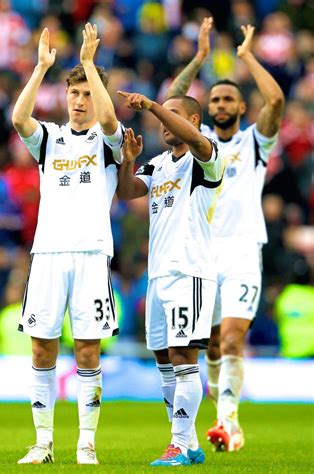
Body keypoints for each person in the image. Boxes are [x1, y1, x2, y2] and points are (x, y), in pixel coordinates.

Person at [165, 21, 284, 451]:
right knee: (213, 343)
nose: (220, 104)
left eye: (228, 99)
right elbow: (171, 103)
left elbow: (275, 100)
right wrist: (199, 58)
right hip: (203, 253)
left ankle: (228, 421)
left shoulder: (254, 143)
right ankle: (224, 415)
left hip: (243, 250)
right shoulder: (199, 144)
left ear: (240, 106)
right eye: (214, 99)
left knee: (233, 336)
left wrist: (247, 56)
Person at [11, 24, 124, 465]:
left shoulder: (108, 141)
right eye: (74, 93)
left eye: (87, 94)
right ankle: (43, 443)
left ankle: (86, 443)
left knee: (87, 350)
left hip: (92, 253)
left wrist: (90, 64)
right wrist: (41, 67)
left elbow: (111, 121)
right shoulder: (50, 138)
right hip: (48, 254)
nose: (79, 101)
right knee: (42, 347)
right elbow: (19, 119)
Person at [117, 91, 224, 466]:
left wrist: (152, 107)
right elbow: (126, 192)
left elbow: (196, 140)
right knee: (164, 359)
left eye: (173, 113)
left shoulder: (206, 157)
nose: (164, 121)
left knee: (182, 356)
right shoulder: (158, 164)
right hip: (159, 274)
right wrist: (127, 160)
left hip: (189, 271)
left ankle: (177, 444)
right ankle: (189, 444)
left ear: (193, 121)